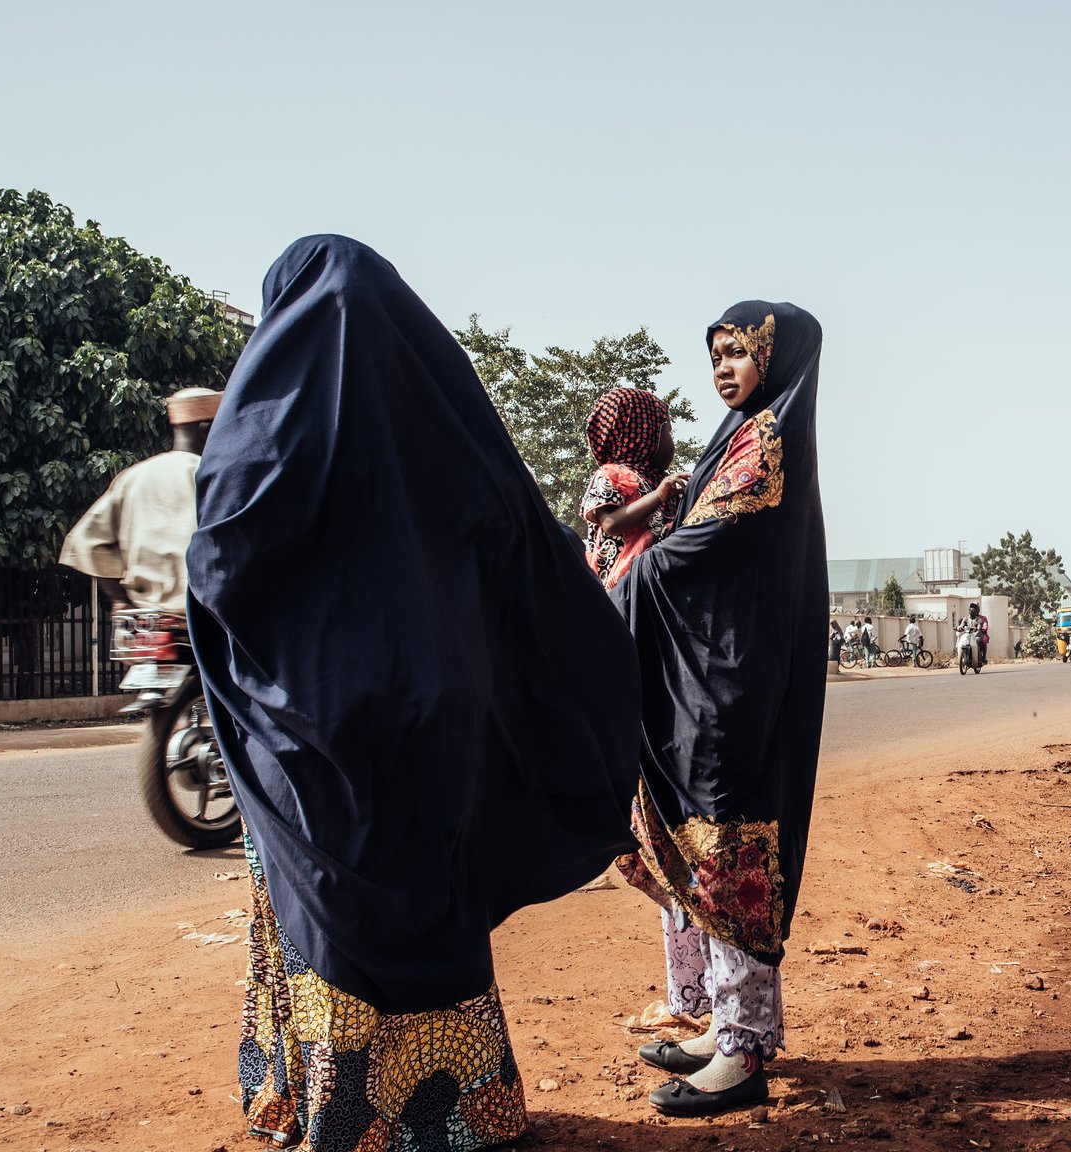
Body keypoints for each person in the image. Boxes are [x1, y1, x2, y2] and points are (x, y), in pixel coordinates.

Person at [187, 236, 642, 1151]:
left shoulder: (271, 424)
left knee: (327, 900)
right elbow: (527, 540)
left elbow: (221, 551)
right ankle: (463, 1110)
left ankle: (341, 1110)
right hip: (439, 708)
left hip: (312, 719)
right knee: (430, 893)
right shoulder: (443, 420)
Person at [617, 301, 826, 1118]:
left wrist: (627, 579)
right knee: (708, 853)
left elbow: (705, 544)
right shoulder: (739, 434)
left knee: (729, 852)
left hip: (732, 684)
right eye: (715, 357)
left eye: (738, 353)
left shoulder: (768, 438)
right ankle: (731, 1026)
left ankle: (741, 1051)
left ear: (774, 358)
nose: (724, 370)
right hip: (709, 670)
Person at [58, 387, 222, 613]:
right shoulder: (210, 477)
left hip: (145, 622)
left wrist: (119, 600)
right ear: (207, 429)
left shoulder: (133, 477)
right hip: (199, 619)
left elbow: (86, 541)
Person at [581, 387, 690, 588]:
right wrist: (657, 496)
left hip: (660, 580)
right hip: (622, 586)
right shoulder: (611, 474)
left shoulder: (662, 480)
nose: (671, 440)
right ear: (641, 434)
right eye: (667, 431)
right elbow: (611, 523)